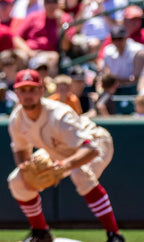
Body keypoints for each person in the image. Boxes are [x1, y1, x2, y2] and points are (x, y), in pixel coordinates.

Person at [7, 69, 124, 242]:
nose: (27, 95)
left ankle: (114, 235)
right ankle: (40, 232)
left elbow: (90, 150)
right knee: (17, 181)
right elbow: (20, 150)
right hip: (57, 150)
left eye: (32, 89)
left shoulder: (59, 114)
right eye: (22, 90)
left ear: (41, 90)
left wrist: (65, 165)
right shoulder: (17, 118)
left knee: (80, 173)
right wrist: (25, 168)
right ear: (16, 93)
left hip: (95, 141)